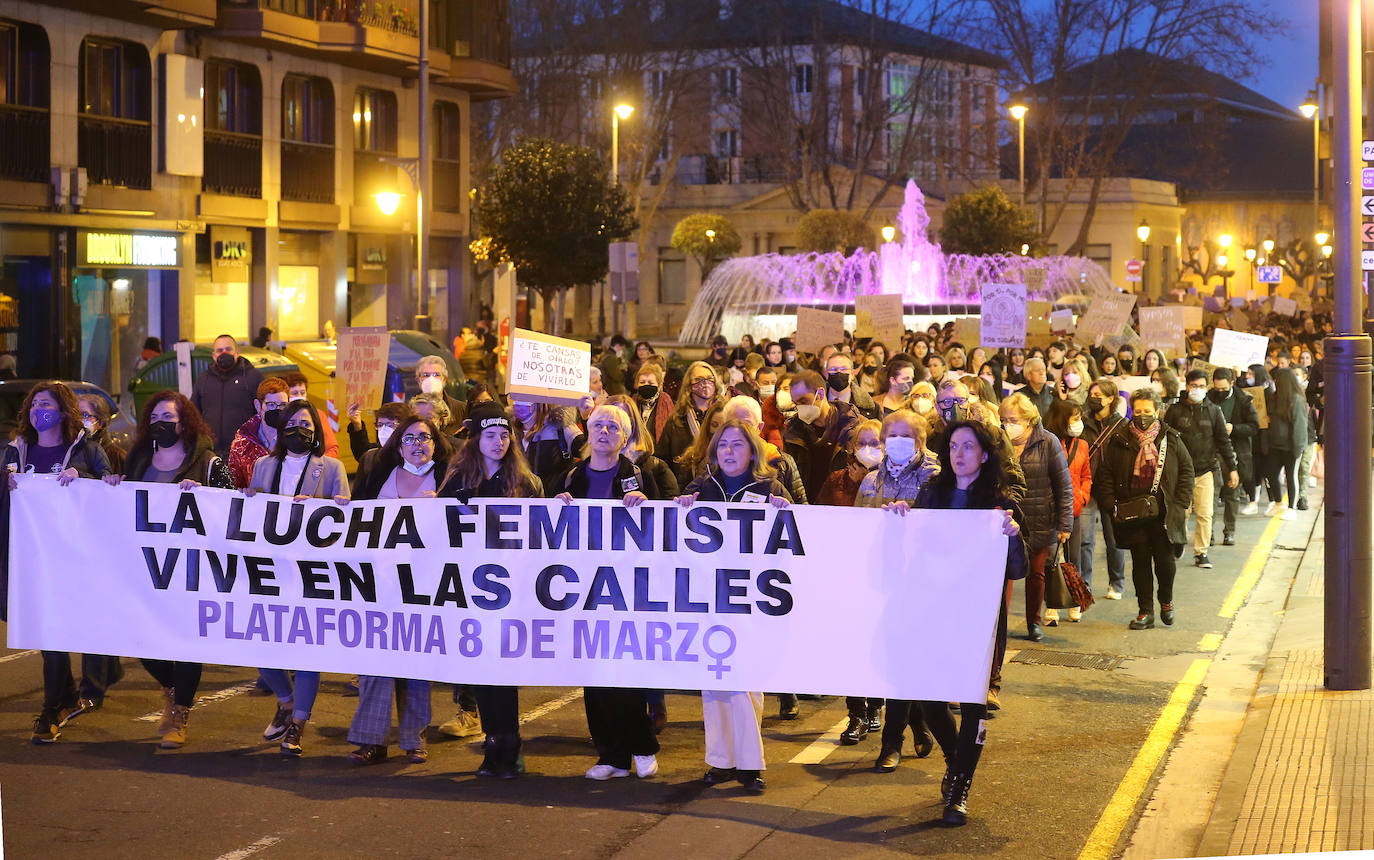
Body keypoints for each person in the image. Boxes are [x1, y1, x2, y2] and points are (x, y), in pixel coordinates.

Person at [890, 420, 1026, 826]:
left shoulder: (1001, 502)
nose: (959, 453)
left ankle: (961, 787)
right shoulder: (933, 494)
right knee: (927, 697)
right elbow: (909, 544)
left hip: (978, 620)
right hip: (934, 613)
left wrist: (1013, 535)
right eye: (953, 446)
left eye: (968, 446)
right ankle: (954, 757)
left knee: (972, 704)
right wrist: (899, 515)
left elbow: (1016, 568)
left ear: (984, 454)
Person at [103, 391, 234, 748]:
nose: (162, 423)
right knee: (141, 639)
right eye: (156, 416)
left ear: (184, 422)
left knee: (187, 644)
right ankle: (172, 687)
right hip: (147, 570)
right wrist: (116, 485)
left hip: (191, 570)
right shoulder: (140, 459)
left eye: (169, 417)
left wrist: (203, 493)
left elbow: (233, 507)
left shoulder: (206, 462)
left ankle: (179, 712)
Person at [674, 418, 790, 794]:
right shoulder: (704, 486)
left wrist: (786, 510)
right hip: (710, 596)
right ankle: (720, 760)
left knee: (746, 683)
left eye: (737, 444)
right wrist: (684, 504)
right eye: (723, 445)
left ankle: (750, 763)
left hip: (752, 598)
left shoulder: (770, 487)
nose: (728, 451)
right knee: (714, 682)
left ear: (752, 449)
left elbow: (798, 534)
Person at [554, 405, 660, 780]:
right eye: (597, 425)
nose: (603, 432)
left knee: (627, 674)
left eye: (612, 427)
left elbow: (667, 527)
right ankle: (610, 756)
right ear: (587, 430)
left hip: (627, 590)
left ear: (624, 436)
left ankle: (642, 746)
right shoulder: (571, 477)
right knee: (595, 676)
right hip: (584, 588)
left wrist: (649, 507)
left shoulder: (640, 476)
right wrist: (556, 506)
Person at [6, 383, 115, 744]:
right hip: (31, 558)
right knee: (49, 633)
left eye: (46, 404)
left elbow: (111, 491)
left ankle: (54, 707)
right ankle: (61, 702)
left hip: (74, 558)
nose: (39, 410)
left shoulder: (88, 451)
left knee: (60, 631)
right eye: (34, 404)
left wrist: (83, 478)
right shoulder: (15, 452)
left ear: (64, 411)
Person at [437, 402, 543, 777]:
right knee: (481, 668)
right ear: (476, 438)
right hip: (470, 587)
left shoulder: (524, 482)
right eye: (491, 435)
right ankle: (492, 742)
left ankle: (510, 744)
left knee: (503, 670)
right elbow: (436, 525)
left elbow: (538, 533)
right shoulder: (459, 478)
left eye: (504, 435)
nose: (499, 442)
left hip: (511, 589)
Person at [244, 398, 349, 756]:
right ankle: (287, 703)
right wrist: (247, 499)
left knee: (307, 651)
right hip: (270, 570)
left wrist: (322, 508)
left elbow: (346, 513)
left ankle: (298, 724)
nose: (299, 430)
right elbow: (250, 510)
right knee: (261, 644)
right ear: (280, 427)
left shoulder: (331, 467)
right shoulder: (263, 465)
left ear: (316, 431)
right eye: (293, 423)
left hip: (311, 573)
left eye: (307, 424)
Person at [347, 414, 452, 764]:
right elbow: (356, 514)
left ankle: (414, 740)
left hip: (426, 585)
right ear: (398, 444)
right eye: (409, 438)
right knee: (374, 661)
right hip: (379, 584)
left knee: (416, 664)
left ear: (436, 443)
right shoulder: (380, 474)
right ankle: (370, 740)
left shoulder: (449, 479)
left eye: (425, 437)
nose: (417, 444)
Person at [1096, 387, 1195, 630]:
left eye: (1147, 411)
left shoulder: (1171, 438)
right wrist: (1111, 505)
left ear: (1158, 411)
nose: (1142, 415)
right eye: (1138, 411)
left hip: (1164, 512)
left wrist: (1181, 503)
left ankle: (1166, 601)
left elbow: (1186, 471)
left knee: (1165, 561)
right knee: (1140, 562)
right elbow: (1106, 473)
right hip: (1132, 512)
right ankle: (1145, 611)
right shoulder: (1120, 439)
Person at [999, 393, 1072, 640]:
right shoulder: (998, 442)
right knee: (1004, 574)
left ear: (1029, 420)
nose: (1008, 424)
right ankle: (1001, 623)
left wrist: (1065, 523)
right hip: (1007, 520)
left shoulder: (1048, 442)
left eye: (1013, 419)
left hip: (1039, 519)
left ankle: (1034, 623)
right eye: (1004, 419)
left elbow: (1063, 485)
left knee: (1036, 574)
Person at [1163, 369, 1239, 568]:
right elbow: (1165, 440)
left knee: (1205, 513)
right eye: (1193, 386)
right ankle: (1178, 541)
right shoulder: (1174, 410)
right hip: (1180, 472)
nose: (1197, 390)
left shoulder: (1214, 411)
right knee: (1181, 513)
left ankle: (1201, 553)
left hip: (1206, 470)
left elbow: (1224, 441)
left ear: (1207, 388)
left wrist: (1232, 468)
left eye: (1201, 386)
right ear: (1186, 386)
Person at [1043, 400, 1092, 620]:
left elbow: (1086, 476)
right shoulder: (1047, 442)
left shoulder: (1082, 445)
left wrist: (1082, 496)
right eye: (1075, 418)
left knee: (1074, 557)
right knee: (1051, 559)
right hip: (1050, 509)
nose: (1078, 423)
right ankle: (1051, 605)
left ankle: (1075, 602)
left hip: (1075, 509)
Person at [1081, 378, 1129, 599]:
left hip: (1111, 488)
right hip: (1086, 486)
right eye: (1092, 393)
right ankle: (1084, 586)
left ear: (1111, 398)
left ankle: (1116, 583)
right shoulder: (1081, 423)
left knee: (1114, 538)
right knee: (1084, 539)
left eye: (1099, 395)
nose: (1094, 398)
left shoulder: (1122, 425)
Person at [1208, 368, 1260, 542]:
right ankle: (1208, 532)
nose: (1220, 392)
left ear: (1231, 383)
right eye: (1217, 389)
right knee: (1211, 496)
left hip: (1235, 453)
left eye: (1223, 389)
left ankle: (1229, 531)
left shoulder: (1244, 400)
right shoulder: (1208, 397)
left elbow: (1254, 426)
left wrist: (1234, 429)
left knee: (1232, 494)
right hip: (1212, 454)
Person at [192, 334, 264, 457]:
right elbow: (194, 412)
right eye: (220, 350)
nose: (224, 353)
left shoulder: (253, 377)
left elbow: (262, 413)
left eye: (228, 349)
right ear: (214, 356)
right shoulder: (203, 379)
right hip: (211, 453)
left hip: (244, 453)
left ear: (237, 352)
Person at [656, 361, 724, 481]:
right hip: (685, 483)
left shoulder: (725, 415)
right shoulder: (677, 420)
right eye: (699, 379)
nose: (705, 383)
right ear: (689, 385)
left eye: (709, 378)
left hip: (719, 481)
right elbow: (663, 459)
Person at [227, 377, 291, 489]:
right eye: (271, 404)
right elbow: (234, 485)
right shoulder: (241, 445)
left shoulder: (294, 438)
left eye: (283, 405)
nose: (277, 409)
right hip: (254, 504)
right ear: (258, 405)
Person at [1262, 367, 1308, 521]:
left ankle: (1291, 508)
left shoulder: (1296, 399)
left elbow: (1300, 426)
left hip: (1291, 446)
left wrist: (1297, 448)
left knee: (1291, 476)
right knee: (1271, 474)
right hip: (1275, 445)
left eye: (1277, 380)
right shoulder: (1274, 398)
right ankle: (1278, 503)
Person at [816, 418, 881, 506]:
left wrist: (864, 480)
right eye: (861, 443)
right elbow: (820, 511)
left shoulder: (894, 481)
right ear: (853, 447)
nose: (867, 448)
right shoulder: (837, 479)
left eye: (874, 443)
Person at [282, 372, 340, 459]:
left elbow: (332, 448)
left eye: (302, 392)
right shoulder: (281, 416)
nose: (299, 396)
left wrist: (319, 465)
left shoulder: (318, 414)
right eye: (294, 393)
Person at [414, 354, 466, 434]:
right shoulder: (409, 410)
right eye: (426, 375)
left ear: (444, 379)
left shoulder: (462, 410)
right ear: (418, 380)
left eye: (436, 375)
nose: (431, 379)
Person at [77, 392, 126, 475]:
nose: (79, 419)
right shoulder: (71, 450)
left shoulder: (116, 456)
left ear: (101, 422)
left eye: (85, 415)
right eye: (76, 414)